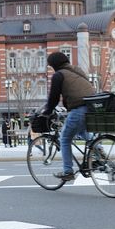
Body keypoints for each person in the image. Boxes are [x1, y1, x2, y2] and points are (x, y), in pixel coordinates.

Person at [43, 52, 95, 180]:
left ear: (54, 64)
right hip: (93, 107)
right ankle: (99, 152)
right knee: (82, 132)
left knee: (64, 139)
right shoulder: (77, 70)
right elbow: (76, 90)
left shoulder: (59, 75)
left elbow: (54, 98)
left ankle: (68, 171)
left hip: (79, 109)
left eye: (51, 66)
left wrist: (47, 111)